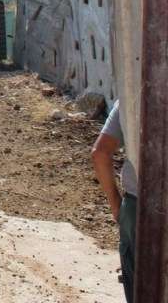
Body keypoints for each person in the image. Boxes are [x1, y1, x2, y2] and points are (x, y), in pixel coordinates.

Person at [91, 99, 138, 302]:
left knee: (140, 287)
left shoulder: (132, 94)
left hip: (137, 209)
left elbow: (100, 153)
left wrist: (117, 207)